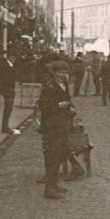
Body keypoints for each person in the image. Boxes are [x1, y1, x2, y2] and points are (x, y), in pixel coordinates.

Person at [36, 60, 75, 199]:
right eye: (59, 72)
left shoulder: (63, 84)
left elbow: (67, 99)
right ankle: (49, 189)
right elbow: (43, 106)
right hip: (52, 126)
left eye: (64, 72)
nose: (62, 75)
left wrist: (71, 107)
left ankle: (53, 184)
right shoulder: (49, 86)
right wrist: (59, 105)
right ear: (54, 72)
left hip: (62, 124)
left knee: (58, 156)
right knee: (52, 156)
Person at [0, 50, 18, 134]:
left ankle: (5, 126)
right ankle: (5, 127)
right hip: (7, 89)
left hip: (9, 89)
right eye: (13, 57)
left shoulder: (10, 65)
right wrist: (2, 87)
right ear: (9, 57)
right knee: (8, 108)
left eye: (15, 57)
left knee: (9, 108)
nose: (14, 59)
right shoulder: (4, 65)